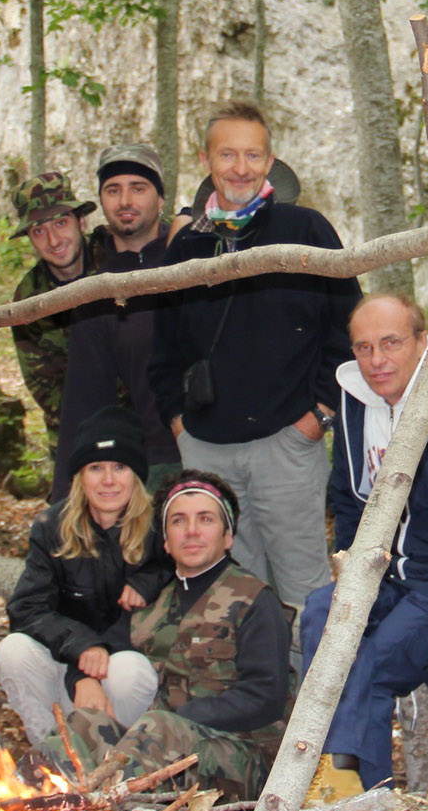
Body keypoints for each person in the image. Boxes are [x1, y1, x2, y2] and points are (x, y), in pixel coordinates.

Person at [147, 102, 359, 617]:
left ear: (269, 161)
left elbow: (347, 327)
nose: (240, 167)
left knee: (305, 588)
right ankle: (252, 695)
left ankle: (314, 695)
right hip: (207, 450)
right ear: (206, 159)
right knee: (230, 594)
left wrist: (319, 415)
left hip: (287, 444)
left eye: (252, 155)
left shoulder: (305, 231)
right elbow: (163, 349)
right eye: (227, 154)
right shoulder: (187, 248)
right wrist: (180, 424)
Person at [300, 294, 428, 797]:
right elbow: (347, 499)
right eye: (364, 347)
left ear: (424, 343)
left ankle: (356, 794)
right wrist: (352, 568)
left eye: (391, 344)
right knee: (318, 614)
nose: (376, 361)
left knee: (372, 663)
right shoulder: (357, 405)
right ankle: (322, 773)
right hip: (385, 573)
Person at [55, 472, 294, 799]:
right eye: (179, 521)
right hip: (159, 744)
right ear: (166, 541)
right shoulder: (150, 601)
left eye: (206, 519)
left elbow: (265, 698)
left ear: (228, 536)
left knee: (157, 729)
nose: (192, 531)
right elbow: (99, 650)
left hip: (243, 757)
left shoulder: (254, 599)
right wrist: (82, 678)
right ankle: (22, 806)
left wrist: (175, 720)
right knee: (85, 723)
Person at [0, 406, 172, 747]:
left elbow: (173, 596)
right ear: (80, 476)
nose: (108, 480)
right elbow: (27, 609)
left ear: (136, 474)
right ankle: (53, 757)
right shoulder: (52, 527)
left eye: (119, 467)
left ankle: (113, 763)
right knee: (12, 651)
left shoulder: (160, 527)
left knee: (128, 672)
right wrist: (82, 653)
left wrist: (149, 579)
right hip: (68, 661)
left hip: (124, 669)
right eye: (96, 468)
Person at [50, 143, 181, 500]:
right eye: (113, 190)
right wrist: (64, 497)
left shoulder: (195, 256)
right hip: (149, 467)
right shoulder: (96, 291)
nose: (125, 200)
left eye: (138, 188)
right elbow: (83, 401)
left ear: (160, 198)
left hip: (227, 450)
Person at [9, 171, 98, 478]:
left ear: (81, 221)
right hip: (73, 432)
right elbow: (43, 385)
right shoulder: (28, 299)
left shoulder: (117, 259)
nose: (54, 240)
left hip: (148, 425)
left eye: (61, 223)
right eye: (39, 231)